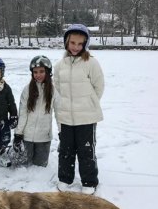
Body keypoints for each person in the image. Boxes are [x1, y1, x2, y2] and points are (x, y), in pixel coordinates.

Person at [53, 24, 104, 195]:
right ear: (66, 42)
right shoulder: (60, 65)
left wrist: (89, 103)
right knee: (66, 150)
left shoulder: (91, 63)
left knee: (86, 150)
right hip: (66, 117)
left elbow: (99, 86)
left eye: (80, 44)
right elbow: (58, 88)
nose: (75, 47)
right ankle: (65, 178)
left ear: (85, 44)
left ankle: (89, 181)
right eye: (72, 43)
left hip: (86, 117)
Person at [13, 55, 59, 167]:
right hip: (27, 137)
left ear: (48, 72)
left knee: (41, 166)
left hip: (44, 137)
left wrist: (62, 133)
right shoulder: (27, 90)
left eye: (42, 71)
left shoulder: (54, 91)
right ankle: (11, 151)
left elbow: (59, 113)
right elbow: (23, 113)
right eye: (35, 72)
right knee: (22, 165)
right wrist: (18, 134)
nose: (38, 75)